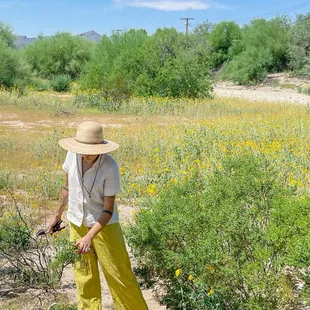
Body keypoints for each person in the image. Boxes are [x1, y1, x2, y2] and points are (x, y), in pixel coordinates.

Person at [47, 121, 148, 310]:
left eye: (89, 149)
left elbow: (108, 210)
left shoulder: (110, 167)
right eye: (82, 148)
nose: (85, 153)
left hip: (105, 227)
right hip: (77, 223)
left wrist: (89, 236)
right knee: (83, 276)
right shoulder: (71, 156)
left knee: (119, 275)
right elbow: (66, 188)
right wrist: (56, 215)